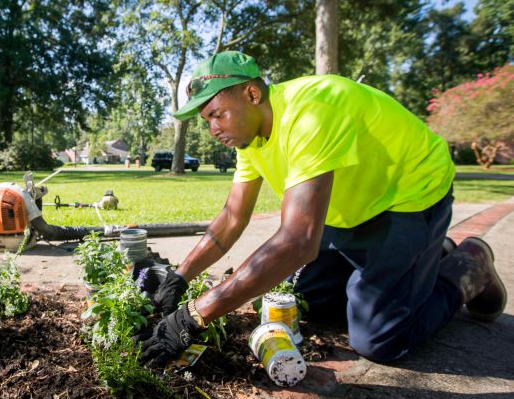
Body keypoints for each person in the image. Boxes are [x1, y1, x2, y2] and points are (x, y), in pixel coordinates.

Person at [139, 51, 507, 366]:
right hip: (352, 210)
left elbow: (298, 241)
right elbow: (233, 217)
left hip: (407, 198)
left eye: (217, 114)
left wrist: (195, 315)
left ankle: (467, 263)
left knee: (379, 340)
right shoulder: (249, 141)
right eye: (206, 120)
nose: (212, 129)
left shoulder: (310, 111)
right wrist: (180, 277)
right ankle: (426, 256)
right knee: (305, 305)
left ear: (252, 93)